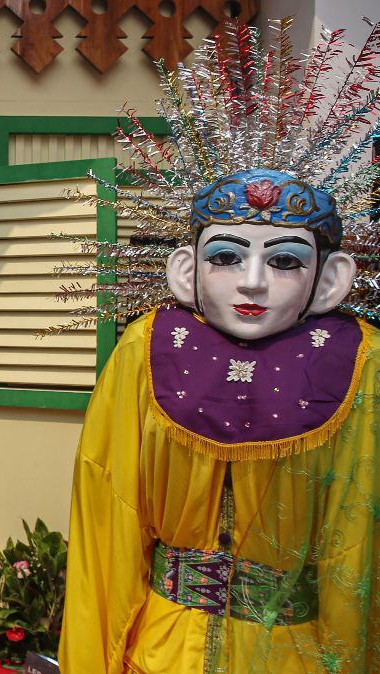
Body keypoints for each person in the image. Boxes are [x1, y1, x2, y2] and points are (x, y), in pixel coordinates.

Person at [57, 19, 380, 673]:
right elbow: (108, 523)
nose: (253, 282)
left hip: (294, 652)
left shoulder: (356, 363)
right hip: (162, 648)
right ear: (186, 271)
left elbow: (359, 547)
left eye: (286, 261)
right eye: (227, 256)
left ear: (330, 279)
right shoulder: (149, 350)